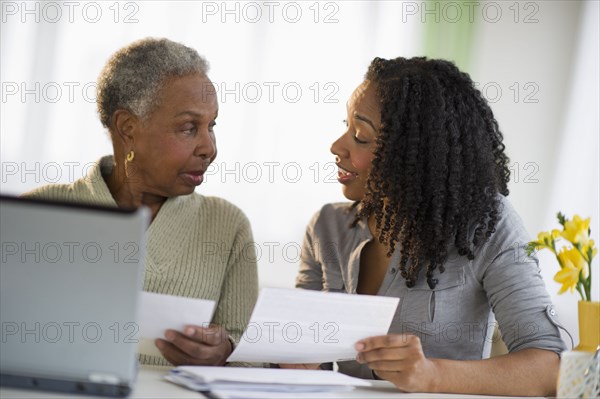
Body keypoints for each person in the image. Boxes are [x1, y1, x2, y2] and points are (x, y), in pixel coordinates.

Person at [287, 57, 566, 396]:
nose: (336, 146)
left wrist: (431, 375)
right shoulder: (327, 228)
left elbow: (548, 368)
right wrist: (294, 357)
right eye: (346, 127)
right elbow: (301, 352)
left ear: (414, 153)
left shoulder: (488, 226)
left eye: (360, 136)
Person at [22, 38, 258, 367]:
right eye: (189, 127)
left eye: (211, 126)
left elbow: (253, 360)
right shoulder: (36, 214)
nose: (209, 148)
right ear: (128, 128)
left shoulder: (227, 225)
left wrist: (224, 353)